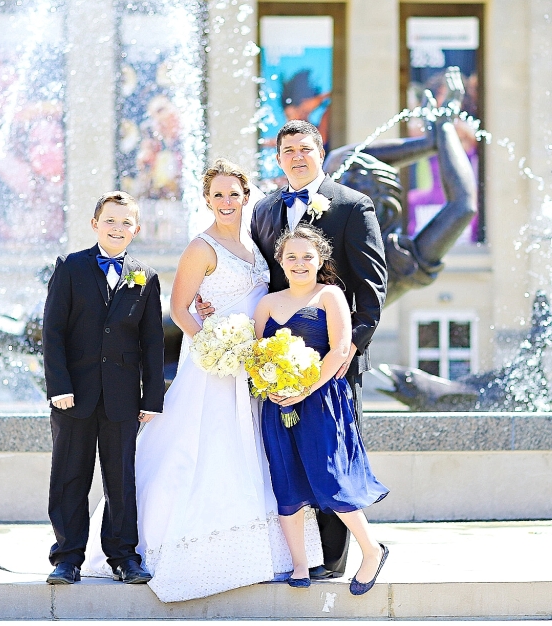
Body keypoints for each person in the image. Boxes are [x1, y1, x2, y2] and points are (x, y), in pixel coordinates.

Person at [82, 160, 323, 602]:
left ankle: (263, 552)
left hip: (253, 367)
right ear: (206, 200)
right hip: (215, 368)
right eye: (218, 195)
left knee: (252, 451)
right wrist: (213, 346)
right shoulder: (201, 246)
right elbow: (179, 308)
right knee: (204, 449)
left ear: (245, 197)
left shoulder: (256, 245)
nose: (226, 202)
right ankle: (159, 546)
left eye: (234, 194)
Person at [198, 119, 388, 579]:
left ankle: (336, 559)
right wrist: (214, 305)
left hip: (329, 363)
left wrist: (345, 354)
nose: (297, 157)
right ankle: (293, 558)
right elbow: (256, 275)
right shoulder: (264, 208)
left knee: (328, 459)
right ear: (278, 158)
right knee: (285, 461)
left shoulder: (352, 205)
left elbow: (372, 289)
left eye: (306, 149)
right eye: (288, 151)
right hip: (272, 360)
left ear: (320, 152)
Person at [253, 225, 389, 593]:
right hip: (276, 405)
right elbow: (255, 354)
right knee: (286, 481)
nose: (299, 263)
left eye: (307, 257)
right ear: (280, 260)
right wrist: (272, 385)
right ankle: (299, 564)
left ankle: (372, 551)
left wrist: (304, 389)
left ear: (321, 260)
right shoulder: (267, 303)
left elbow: (341, 349)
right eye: (291, 257)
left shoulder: (330, 295)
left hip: (321, 401)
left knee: (330, 479)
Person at [42, 191, 165, 586]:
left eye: (126, 222)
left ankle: (125, 556)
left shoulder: (145, 276)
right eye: (110, 220)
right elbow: (53, 332)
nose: (117, 228)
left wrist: (152, 399)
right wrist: (58, 386)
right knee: (70, 475)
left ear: (136, 229)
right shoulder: (71, 267)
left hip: (123, 398)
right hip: (73, 394)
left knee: (121, 479)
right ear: (95, 224)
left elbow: (152, 343)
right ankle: (67, 558)